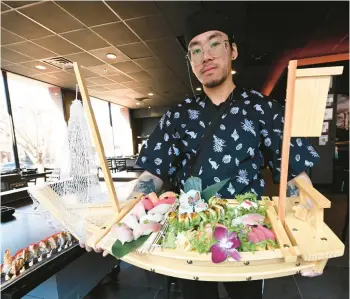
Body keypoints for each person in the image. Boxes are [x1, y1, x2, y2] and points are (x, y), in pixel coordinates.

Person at [82, 8, 323, 299]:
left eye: (214, 44)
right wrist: (117, 220)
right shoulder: (176, 116)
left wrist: (309, 237)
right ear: (190, 62)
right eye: (195, 50)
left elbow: (295, 174)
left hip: (246, 231)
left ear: (232, 50)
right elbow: (151, 177)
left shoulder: (264, 109)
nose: (205, 56)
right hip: (190, 231)